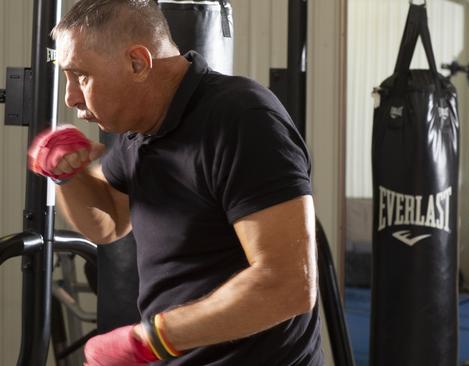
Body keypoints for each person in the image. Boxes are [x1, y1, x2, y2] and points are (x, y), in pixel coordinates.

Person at [32, 0, 323, 364]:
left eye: (82, 76)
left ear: (138, 63)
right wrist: (67, 176)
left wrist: (152, 339)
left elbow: (289, 284)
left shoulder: (244, 120)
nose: (70, 97)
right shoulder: (137, 126)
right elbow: (108, 223)